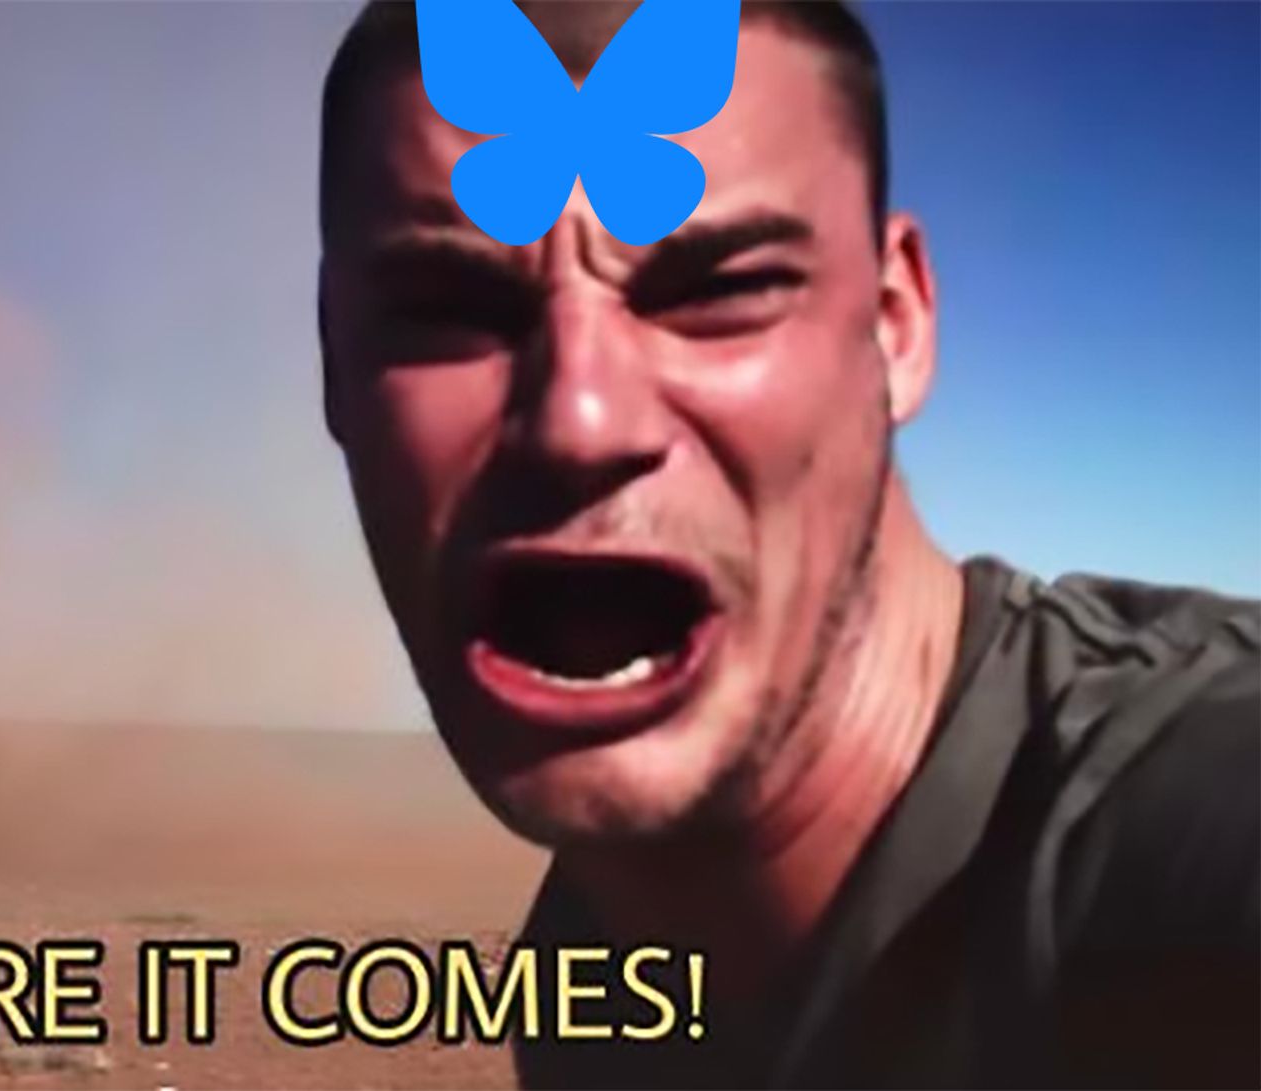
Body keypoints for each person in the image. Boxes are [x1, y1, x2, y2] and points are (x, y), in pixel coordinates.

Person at [314, 2, 1259, 1086]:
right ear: (333, 363)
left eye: (720, 289)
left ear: (893, 324)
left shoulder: (1185, 852)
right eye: (447, 307)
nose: (579, 417)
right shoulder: (595, 966)